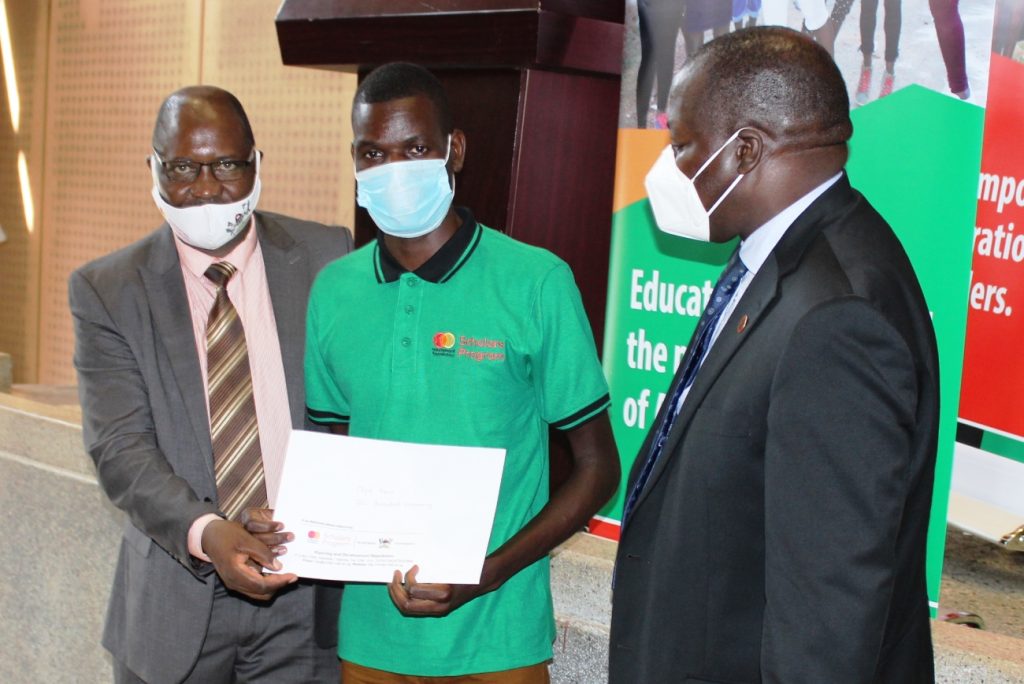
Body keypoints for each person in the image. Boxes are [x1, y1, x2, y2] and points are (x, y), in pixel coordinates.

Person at [609, 27, 938, 683]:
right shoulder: (779, 261)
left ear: (747, 149)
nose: (666, 169)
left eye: (682, 147)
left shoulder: (837, 317)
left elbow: (826, 618)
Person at [278, 62, 619, 682]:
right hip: (370, 640)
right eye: (373, 153)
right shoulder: (334, 292)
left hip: (497, 637)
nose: (394, 169)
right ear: (354, 163)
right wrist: (288, 529)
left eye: (414, 148)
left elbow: (598, 469)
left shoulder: (536, 282)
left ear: (453, 150)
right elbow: (332, 460)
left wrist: (484, 572)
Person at [69, 86, 351, 683]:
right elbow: (120, 451)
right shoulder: (107, 290)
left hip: (302, 601)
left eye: (225, 164)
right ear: (153, 169)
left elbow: (362, 411)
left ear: (256, 163)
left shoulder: (329, 255)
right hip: (175, 600)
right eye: (182, 167)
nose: (204, 187)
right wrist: (210, 533)